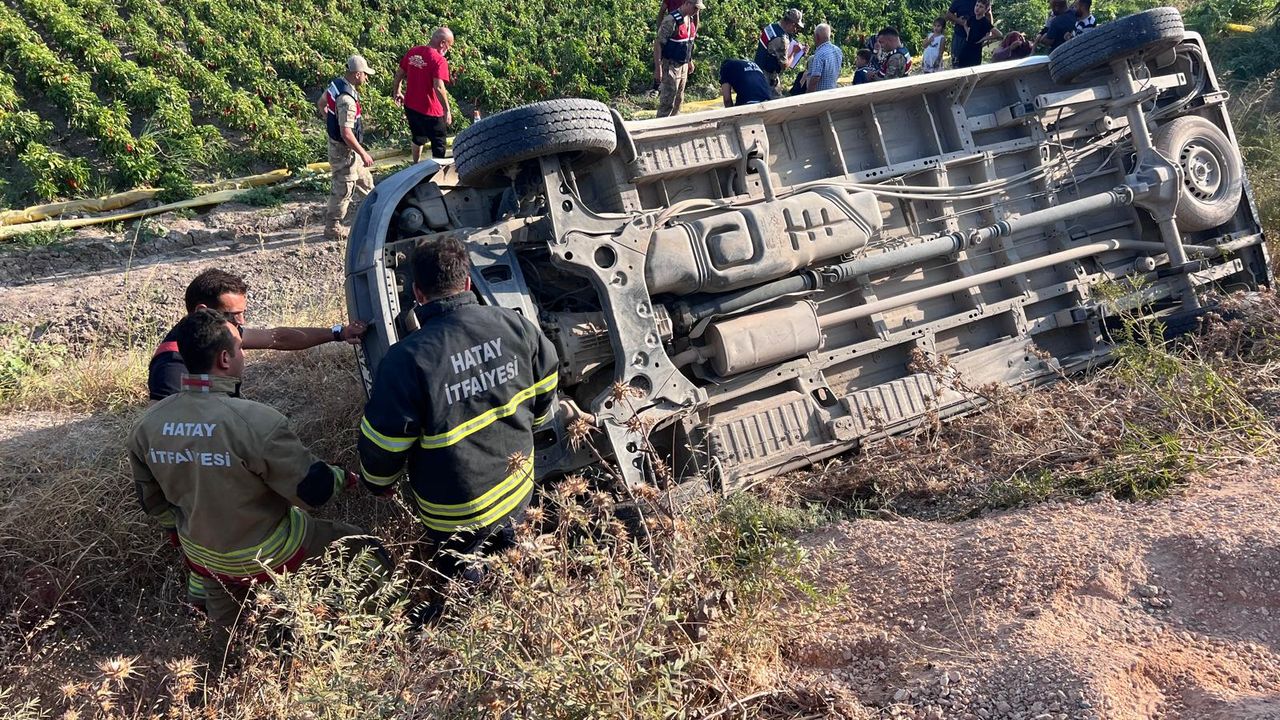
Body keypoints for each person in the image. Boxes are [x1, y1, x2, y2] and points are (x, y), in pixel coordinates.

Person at [129, 310, 383, 644]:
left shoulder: (148, 424)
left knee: (227, 631)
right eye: (239, 348)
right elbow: (313, 492)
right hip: (268, 551)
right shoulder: (256, 421)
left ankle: (225, 658)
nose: (243, 355)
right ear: (225, 359)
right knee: (361, 546)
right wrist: (342, 477)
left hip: (202, 555)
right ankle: (386, 625)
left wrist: (184, 537)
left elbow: (153, 503)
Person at [357, 236, 559, 581]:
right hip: (517, 487)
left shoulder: (405, 360)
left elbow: (384, 444)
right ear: (467, 283)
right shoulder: (515, 325)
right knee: (520, 563)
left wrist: (378, 484)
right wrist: (531, 425)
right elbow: (546, 384)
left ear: (418, 294)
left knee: (468, 584)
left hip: (455, 513)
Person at [149, 269, 366, 402]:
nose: (241, 321)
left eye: (243, 313)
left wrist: (339, 333)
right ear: (202, 311)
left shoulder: (214, 335)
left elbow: (277, 338)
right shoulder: (170, 366)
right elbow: (163, 431)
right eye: (233, 315)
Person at [319, 55, 376, 241]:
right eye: (365, 74)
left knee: (365, 182)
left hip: (347, 149)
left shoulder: (336, 86)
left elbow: (321, 104)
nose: (366, 78)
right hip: (344, 152)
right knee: (343, 188)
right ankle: (332, 227)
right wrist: (363, 153)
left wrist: (331, 122)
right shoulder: (347, 100)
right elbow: (346, 134)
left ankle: (376, 213)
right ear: (357, 74)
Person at [393, 28, 454, 162]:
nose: (448, 49)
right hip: (431, 111)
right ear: (442, 43)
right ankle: (437, 170)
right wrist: (447, 110)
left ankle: (416, 164)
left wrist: (397, 91)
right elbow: (438, 87)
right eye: (449, 46)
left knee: (418, 137)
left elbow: (399, 73)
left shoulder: (413, 52)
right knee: (438, 142)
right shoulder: (439, 60)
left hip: (411, 106)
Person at [653, 0, 703, 118]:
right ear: (687, 3)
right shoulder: (671, 20)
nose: (696, 11)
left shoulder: (690, 20)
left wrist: (689, 60)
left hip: (683, 65)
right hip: (671, 65)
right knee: (667, 102)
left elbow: (688, 43)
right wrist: (658, 68)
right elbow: (658, 44)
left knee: (679, 99)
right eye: (695, 8)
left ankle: (675, 123)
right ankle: (662, 126)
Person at [755, 8, 805, 95]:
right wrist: (794, 52)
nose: (796, 30)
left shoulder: (770, 27)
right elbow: (784, 65)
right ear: (792, 24)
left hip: (757, 70)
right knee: (777, 100)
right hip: (768, 77)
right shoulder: (782, 40)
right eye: (796, 27)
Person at [956, 0, 1001, 68]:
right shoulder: (972, 18)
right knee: (961, 68)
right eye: (976, 5)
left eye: (981, 7)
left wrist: (984, 39)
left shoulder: (985, 22)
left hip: (975, 50)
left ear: (986, 10)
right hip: (966, 47)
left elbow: (999, 34)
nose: (977, 8)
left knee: (973, 69)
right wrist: (968, 33)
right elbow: (965, 24)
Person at [805, 23, 843, 93]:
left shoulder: (819, 53)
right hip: (833, 91)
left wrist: (808, 94)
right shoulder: (838, 50)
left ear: (817, 36)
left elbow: (815, 78)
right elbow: (838, 72)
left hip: (821, 94)